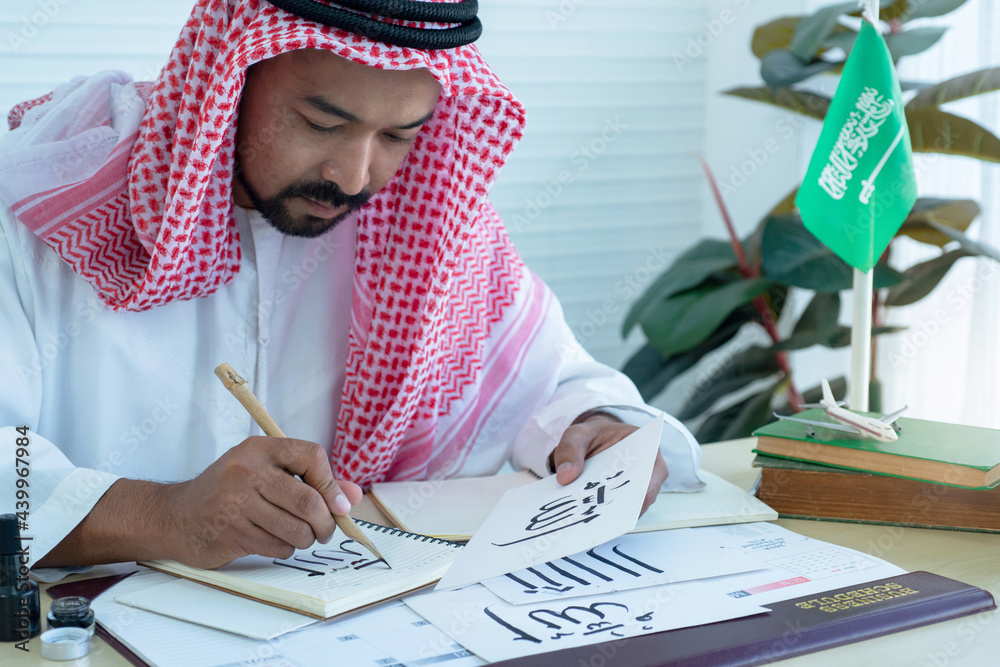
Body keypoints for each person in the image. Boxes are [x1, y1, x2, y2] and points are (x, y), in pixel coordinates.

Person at [0, 0, 703, 574]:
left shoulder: (430, 222)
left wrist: (590, 430)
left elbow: (550, 385)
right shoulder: (46, 192)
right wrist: (166, 515)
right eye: (322, 123)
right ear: (229, 75)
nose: (356, 175)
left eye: (399, 134)